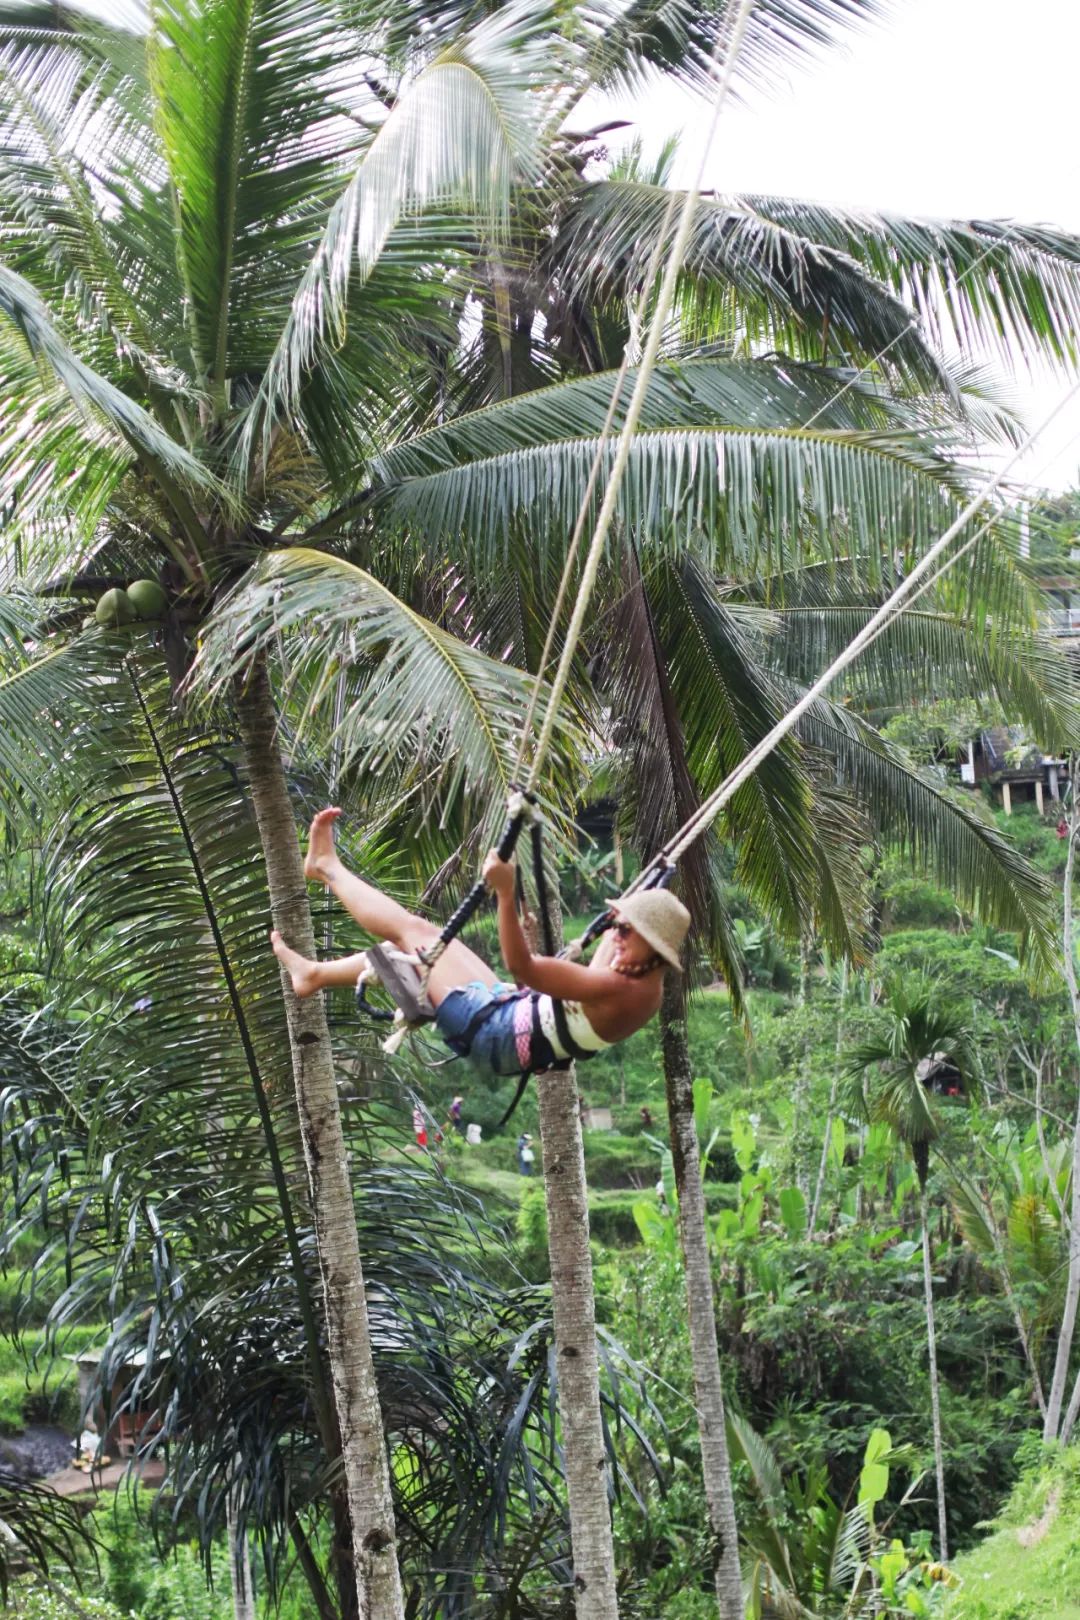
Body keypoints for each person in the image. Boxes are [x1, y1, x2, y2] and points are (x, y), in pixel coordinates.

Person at [270, 808, 690, 1081]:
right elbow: (595, 956)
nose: (615, 935)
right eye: (617, 926)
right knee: (422, 944)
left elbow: (524, 968)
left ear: (653, 950)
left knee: (413, 937)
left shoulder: (622, 989)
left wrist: (505, 894)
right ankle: (314, 973)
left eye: (626, 931)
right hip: (507, 1014)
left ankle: (325, 868)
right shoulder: (639, 973)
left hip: (495, 1033)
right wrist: (653, 884)